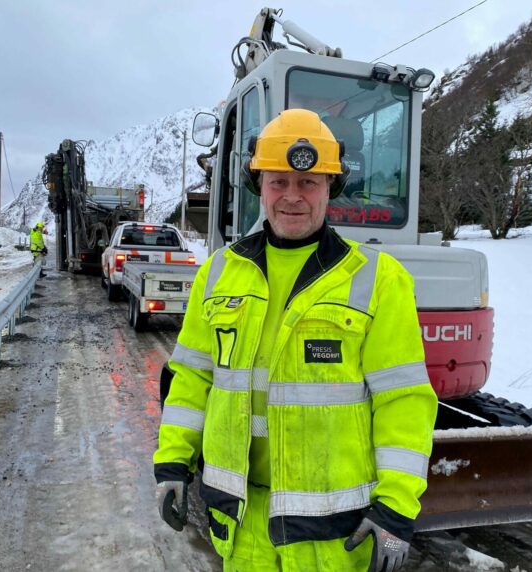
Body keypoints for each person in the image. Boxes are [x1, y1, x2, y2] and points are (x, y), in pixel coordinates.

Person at [154, 109, 437, 571]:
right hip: (241, 524)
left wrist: (397, 506)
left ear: (330, 188)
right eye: (278, 182)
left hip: (332, 536)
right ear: (259, 187)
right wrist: (172, 463)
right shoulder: (218, 273)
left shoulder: (378, 280)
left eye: (308, 182)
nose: (292, 196)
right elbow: (191, 380)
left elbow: (403, 402)